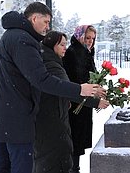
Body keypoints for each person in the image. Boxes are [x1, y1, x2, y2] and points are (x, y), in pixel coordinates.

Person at [0, 2, 102, 173]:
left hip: (4, 115)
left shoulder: (11, 35)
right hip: (17, 120)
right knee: (20, 166)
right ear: (34, 18)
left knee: (3, 165)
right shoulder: (23, 40)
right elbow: (42, 79)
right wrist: (79, 90)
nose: (47, 26)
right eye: (46, 21)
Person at [33, 31, 109, 173]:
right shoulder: (54, 64)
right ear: (52, 45)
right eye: (61, 44)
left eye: (93, 38)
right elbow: (68, 88)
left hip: (54, 116)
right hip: (54, 119)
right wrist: (95, 102)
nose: (65, 48)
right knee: (57, 159)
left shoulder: (53, 60)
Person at [62, 25, 100, 173]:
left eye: (92, 38)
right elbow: (73, 78)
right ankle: (73, 169)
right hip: (75, 101)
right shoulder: (72, 52)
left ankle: (75, 167)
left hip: (84, 102)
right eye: (87, 37)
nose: (90, 41)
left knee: (78, 140)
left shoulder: (86, 52)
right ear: (79, 36)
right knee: (74, 140)